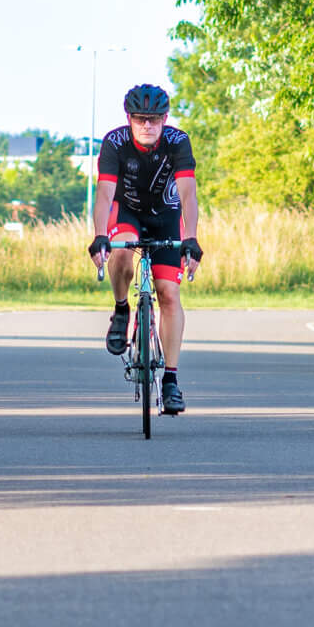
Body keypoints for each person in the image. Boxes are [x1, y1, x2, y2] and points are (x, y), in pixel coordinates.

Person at [88, 82, 202, 415]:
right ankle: (122, 309)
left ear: (165, 118)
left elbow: (188, 194)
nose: (147, 125)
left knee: (168, 293)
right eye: (140, 119)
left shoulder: (178, 142)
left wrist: (191, 238)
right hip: (127, 212)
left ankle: (170, 380)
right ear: (129, 118)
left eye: (154, 119)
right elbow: (105, 194)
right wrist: (99, 234)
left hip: (166, 216)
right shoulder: (116, 142)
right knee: (121, 252)